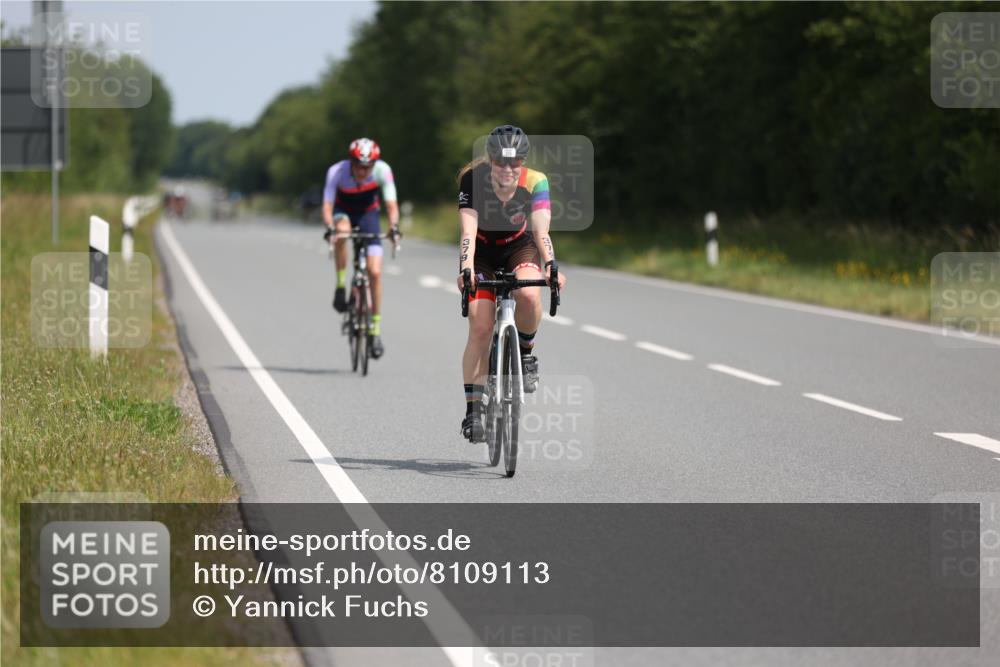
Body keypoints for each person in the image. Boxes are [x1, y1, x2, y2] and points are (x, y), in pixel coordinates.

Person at [456, 125, 566, 442]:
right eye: (501, 162)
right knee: (480, 326)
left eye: (514, 162)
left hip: (519, 246)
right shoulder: (472, 179)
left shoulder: (536, 181)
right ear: (490, 160)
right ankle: (473, 412)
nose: (507, 168)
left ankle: (525, 352)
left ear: (523, 161)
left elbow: (541, 231)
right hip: (481, 252)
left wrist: (551, 266)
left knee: (529, 294)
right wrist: (466, 268)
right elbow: (467, 232)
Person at [322, 138, 400, 359]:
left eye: (368, 166)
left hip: (368, 214)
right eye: (358, 165)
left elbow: (391, 205)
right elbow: (327, 205)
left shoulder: (383, 170)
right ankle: (340, 285)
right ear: (351, 162)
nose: (363, 171)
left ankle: (375, 329)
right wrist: (330, 228)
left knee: (374, 272)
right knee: (342, 233)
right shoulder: (337, 172)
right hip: (343, 211)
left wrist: (393, 228)